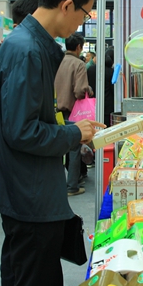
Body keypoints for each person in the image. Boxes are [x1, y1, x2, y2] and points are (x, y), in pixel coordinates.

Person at [0, 0, 102, 286]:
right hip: (27, 191)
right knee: (33, 279)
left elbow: (26, 119)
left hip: (26, 186)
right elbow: (22, 131)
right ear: (67, 5)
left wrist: (73, 127)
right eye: (85, 13)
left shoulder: (28, 44)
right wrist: (75, 135)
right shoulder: (27, 50)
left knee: (22, 272)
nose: (81, 23)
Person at [55, 32, 93, 196]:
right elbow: (79, 90)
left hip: (56, 111)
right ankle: (72, 186)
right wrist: (89, 90)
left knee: (58, 148)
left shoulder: (57, 61)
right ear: (79, 47)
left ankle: (59, 183)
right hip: (73, 113)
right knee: (75, 149)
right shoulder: (78, 64)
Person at [87, 48, 115, 127]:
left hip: (92, 105)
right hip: (108, 107)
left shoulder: (91, 69)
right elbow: (113, 90)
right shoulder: (111, 71)